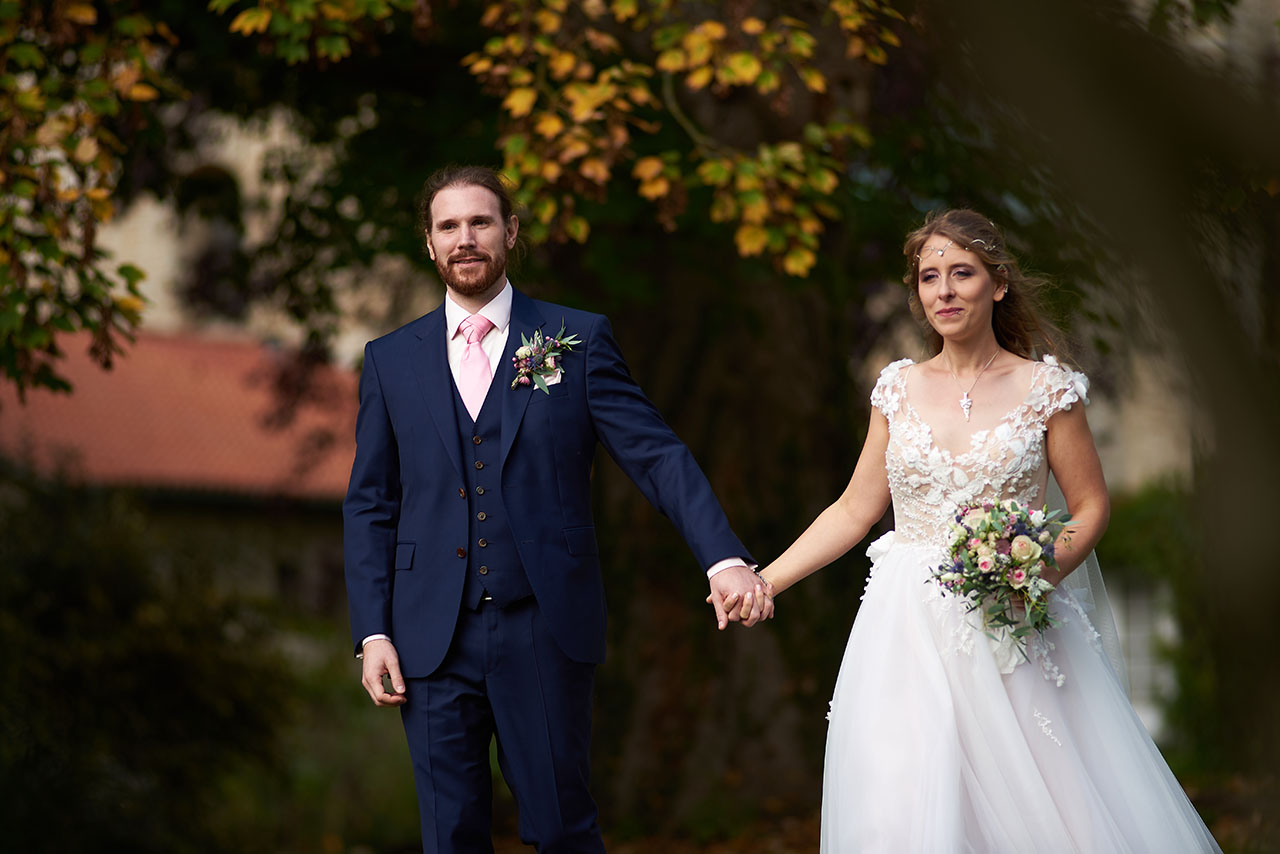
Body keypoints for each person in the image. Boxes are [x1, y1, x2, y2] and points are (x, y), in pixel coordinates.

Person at [759, 209, 1221, 852]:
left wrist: (1036, 573)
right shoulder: (897, 389)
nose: (943, 291)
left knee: (1047, 806)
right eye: (928, 277)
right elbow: (853, 510)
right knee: (907, 800)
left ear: (997, 284)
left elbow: (1089, 507)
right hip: (904, 629)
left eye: (961, 274)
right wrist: (766, 581)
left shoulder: (1047, 389)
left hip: (1013, 624)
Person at [342, 164, 772, 854]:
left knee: (562, 830)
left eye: (480, 222)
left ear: (510, 232)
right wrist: (373, 632)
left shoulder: (576, 339)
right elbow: (370, 504)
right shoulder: (390, 360)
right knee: (448, 837)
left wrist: (722, 557)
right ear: (428, 244)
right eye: (448, 226)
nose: (465, 238)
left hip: (543, 626)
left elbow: (656, 455)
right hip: (427, 638)